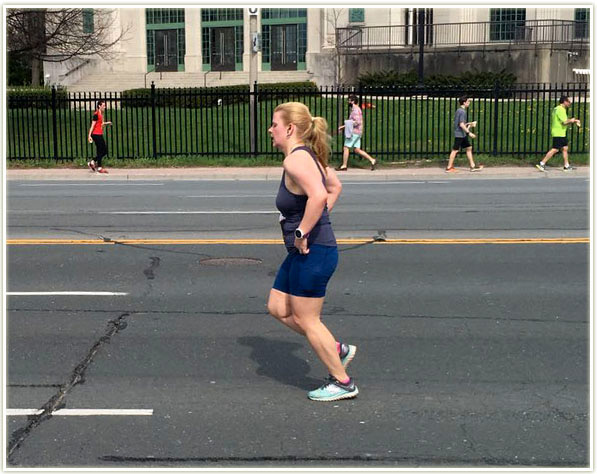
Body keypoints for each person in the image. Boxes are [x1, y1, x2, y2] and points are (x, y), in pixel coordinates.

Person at [267, 102, 358, 402]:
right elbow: (335, 187)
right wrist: (316, 220)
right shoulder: (310, 158)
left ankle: (342, 382)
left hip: (313, 251)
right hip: (303, 252)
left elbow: (320, 195)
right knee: (278, 306)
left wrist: (303, 231)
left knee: (308, 320)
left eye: (274, 125)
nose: (271, 130)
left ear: (290, 129)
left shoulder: (295, 161)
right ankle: (335, 349)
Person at [536, 95, 581, 172]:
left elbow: (562, 122)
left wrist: (573, 121)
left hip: (560, 132)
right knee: (555, 149)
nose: (570, 103)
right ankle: (542, 163)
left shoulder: (556, 108)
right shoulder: (561, 109)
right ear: (564, 101)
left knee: (565, 148)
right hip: (559, 132)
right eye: (568, 101)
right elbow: (564, 122)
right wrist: (573, 120)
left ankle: (566, 166)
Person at [335, 95, 376, 171]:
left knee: (346, 147)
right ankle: (372, 160)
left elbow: (357, 122)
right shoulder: (356, 109)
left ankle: (344, 165)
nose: (348, 102)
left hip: (354, 132)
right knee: (357, 150)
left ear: (353, 101)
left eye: (349, 100)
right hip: (358, 132)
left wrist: (343, 126)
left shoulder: (356, 110)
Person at [446, 96, 483, 172]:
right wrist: (469, 133)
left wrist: (470, 124)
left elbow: (460, 123)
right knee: (455, 150)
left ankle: (472, 166)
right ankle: (449, 167)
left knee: (469, 148)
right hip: (460, 134)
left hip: (462, 134)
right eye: (468, 102)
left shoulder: (459, 110)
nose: (469, 103)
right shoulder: (462, 112)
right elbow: (461, 124)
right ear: (464, 102)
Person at [87, 100, 111, 174]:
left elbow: (100, 123)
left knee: (104, 151)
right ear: (99, 106)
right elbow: (93, 125)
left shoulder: (101, 114)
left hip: (99, 134)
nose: (105, 107)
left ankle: (92, 162)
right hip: (96, 135)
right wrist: (89, 135)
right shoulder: (96, 114)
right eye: (103, 105)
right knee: (101, 151)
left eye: (105, 105)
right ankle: (99, 168)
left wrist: (107, 123)